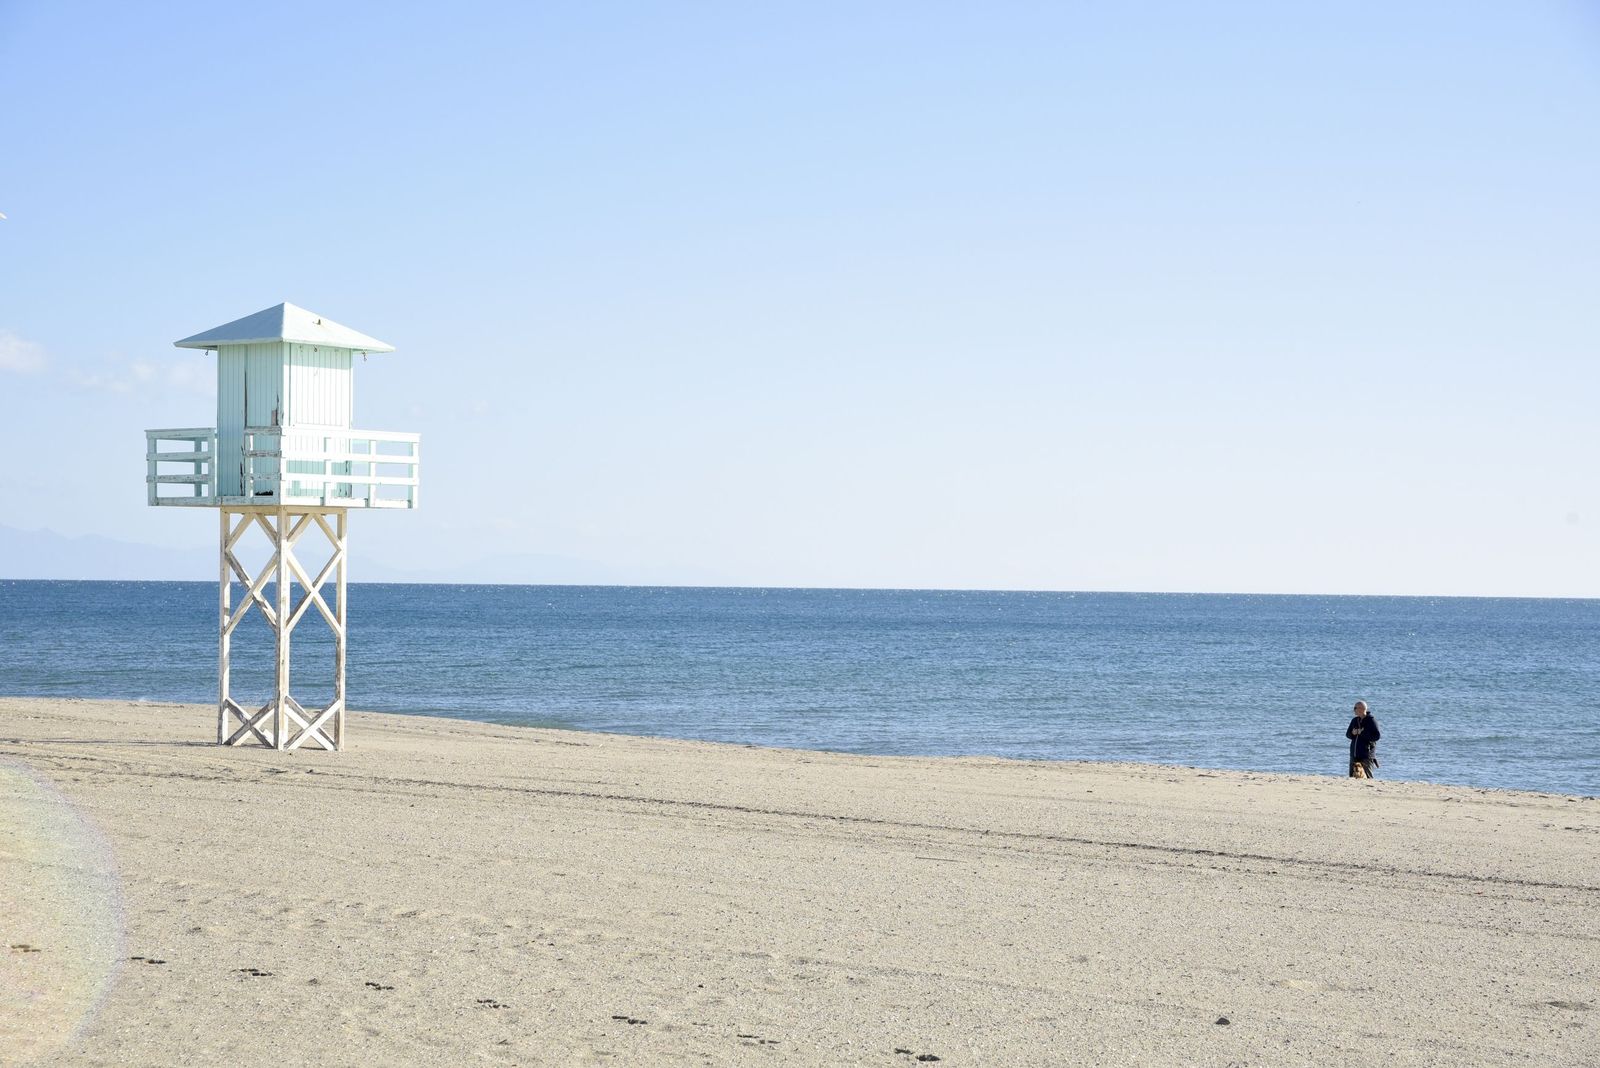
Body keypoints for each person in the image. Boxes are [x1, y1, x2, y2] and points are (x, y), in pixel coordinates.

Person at [1346, 700, 1381, 778]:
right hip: (1354, 753)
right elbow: (1348, 734)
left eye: (1355, 708)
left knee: (1368, 776)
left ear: (1361, 709)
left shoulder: (1371, 720)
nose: (1353, 710)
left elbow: (1376, 736)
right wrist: (1353, 733)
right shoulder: (1354, 720)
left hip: (1366, 755)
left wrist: (1362, 733)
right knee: (1352, 777)